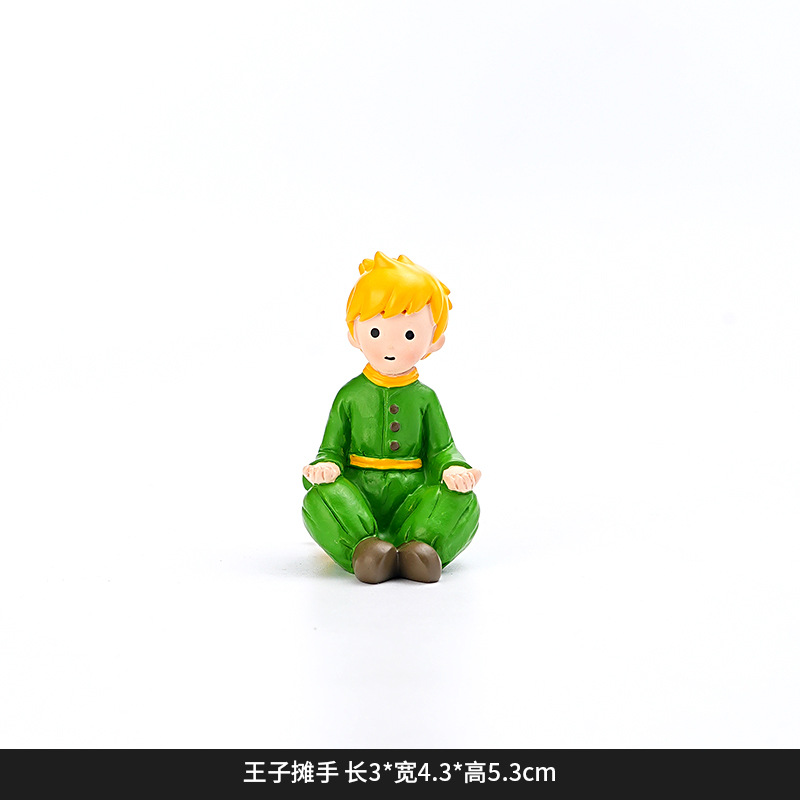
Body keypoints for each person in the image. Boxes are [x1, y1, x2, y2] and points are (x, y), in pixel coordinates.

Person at [301, 252, 481, 583]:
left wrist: (454, 469)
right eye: (375, 332)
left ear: (434, 341)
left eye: (409, 335)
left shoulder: (425, 399)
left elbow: (442, 450)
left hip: (413, 498)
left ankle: (420, 548)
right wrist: (325, 468)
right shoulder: (350, 396)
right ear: (354, 334)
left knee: (463, 502)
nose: (391, 346)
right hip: (358, 500)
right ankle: (364, 550)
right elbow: (330, 451)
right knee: (319, 498)